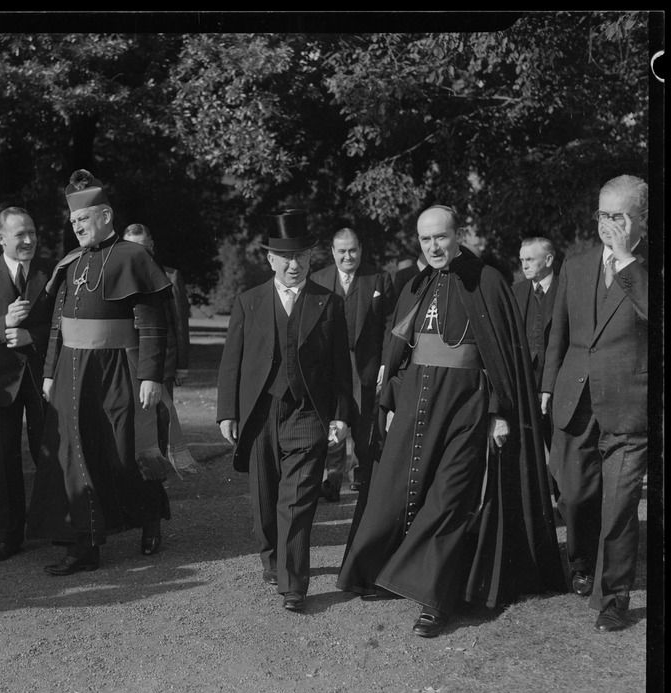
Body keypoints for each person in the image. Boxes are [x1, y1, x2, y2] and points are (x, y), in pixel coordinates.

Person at [336, 204, 565, 637]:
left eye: (441, 237)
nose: (434, 246)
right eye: (425, 240)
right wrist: (386, 402)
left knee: (449, 499)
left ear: (456, 234)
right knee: (395, 489)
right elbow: (397, 351)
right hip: (416, 402)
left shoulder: (488, 281)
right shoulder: (416, 283)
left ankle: (434, 600)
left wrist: (500, 413)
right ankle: (389, 571)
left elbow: (503, 359)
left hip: (468, 408)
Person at [27, 169, 173, 574]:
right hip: (72, 371)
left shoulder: (134, 256)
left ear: (105, 216)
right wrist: (50, 371)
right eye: (73, 222)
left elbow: (152, 322)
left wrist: (150, 375)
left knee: (125, 453)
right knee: (74, 455)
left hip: (118, 368)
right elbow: (58, 321)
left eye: (83, 220)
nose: (76, 228)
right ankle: (84, 545)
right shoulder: (71, 262)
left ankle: (149, 517)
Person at [217, 209, 354, 612]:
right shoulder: (249, 302)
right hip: (260, 414)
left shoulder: (328, 303)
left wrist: (341, 414)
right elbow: (232, 361)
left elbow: (339, 368)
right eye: (285, 258)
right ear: (270, 259)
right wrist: (228, 412)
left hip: (306, 414)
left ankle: (294, 584)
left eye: (301, 257)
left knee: (296, 502)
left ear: (311, 258)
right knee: (265, 499)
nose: (293, 265)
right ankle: (274, 559)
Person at [540, 175, 649, 633]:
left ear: (642, 218)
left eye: (619, 217)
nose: (608, 226)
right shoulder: (577, 264)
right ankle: (581, 562)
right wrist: (547, 384)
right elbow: (558, 333)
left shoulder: (646, 267)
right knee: (575, 494)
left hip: (629, 403)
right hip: (575, 397)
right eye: (603, 215)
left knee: (620, 505)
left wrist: (626, 260)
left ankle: (614, 596)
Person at [0, 207, 56, 562]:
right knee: (5, 459)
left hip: (41, 375)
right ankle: (9, 536)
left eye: (32, 232)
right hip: (1, 380)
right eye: (20, 234)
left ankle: (55, 525)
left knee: (48, 454)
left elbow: (62, 323)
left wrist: (29, 336)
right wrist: (5, 324)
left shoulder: (51, 270)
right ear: (1, 238)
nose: (29, 240)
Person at [310, 227, 394, 501]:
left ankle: (361, 478)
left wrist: (385, 362)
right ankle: (330, 482)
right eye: (342, 251)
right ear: (333, 252)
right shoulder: (318, 279)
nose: (348, 256)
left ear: (361, 249)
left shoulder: (379, 279)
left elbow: (390, 325)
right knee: (334, 422)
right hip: (330, 367)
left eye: (353, 250)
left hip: (366, 367)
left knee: (363, 425)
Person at [122, 223, 198, 475]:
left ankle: (160, 471)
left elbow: (180, 323)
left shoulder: (170, 276)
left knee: (161, 418)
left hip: (162, 364)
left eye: (142, 248)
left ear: (151, 247)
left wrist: (182, 365)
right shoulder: (116, 279)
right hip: (126, 362)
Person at [512, 237, 559, 499]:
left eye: (530, 259)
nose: (524, 265)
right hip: (526, 386)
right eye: (522, 260)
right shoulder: (517, 291)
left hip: (559, 387)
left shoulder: (568, 288)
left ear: (549, 260)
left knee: (562, 457)